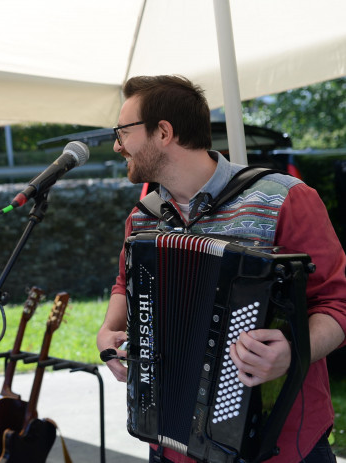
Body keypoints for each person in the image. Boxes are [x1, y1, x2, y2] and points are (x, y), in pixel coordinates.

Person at [96, 75, 346, 463]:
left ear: (163, 132)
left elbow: (337, 300)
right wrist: (110, 330)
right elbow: (124, 283)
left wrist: (294, 352)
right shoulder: (142, 219)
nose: (116, 145)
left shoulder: (286, 200)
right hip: (170, 438)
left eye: (123, 131)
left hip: (279, 443)